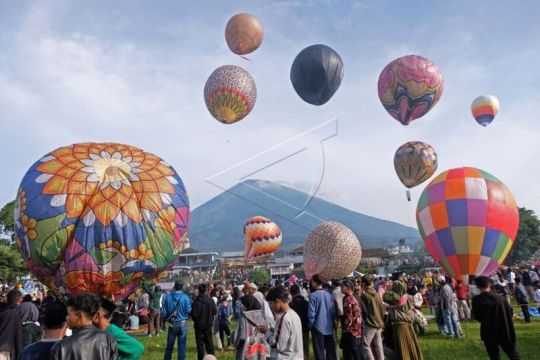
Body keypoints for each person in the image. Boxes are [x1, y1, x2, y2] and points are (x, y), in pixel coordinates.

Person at [49, 293, 117, 360]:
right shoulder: (109, 340)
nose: (66, 318)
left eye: (68, 314)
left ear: (80, 316)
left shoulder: (60, 347)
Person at [472, 276, 520, 360]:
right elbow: (510, 312)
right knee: (512, 353)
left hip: (488, 330)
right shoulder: (501, 298)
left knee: (494, 355)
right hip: (504, 328)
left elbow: (477, 316)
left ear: (477, 286)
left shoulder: (476, 300)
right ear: (489, 284)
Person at [383, 279, 424, 360]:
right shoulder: (408, 297)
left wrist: (389, 288)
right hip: (408, 324)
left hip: (399, 325)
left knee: (402, 345)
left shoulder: (394, 297)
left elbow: (385, 296)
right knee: (410, 344)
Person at [264, 286, 303, 360]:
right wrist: (273, 330)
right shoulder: (294, 314)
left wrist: (267, 332)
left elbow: (277, 345)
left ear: (277, 301)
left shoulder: (283, 319)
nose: (271, 307)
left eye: (271, 304)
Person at [308, 275, 337, 360]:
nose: (311, 283)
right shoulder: (329, 295)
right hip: (329, 327)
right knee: (331, 353)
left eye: (312, 281)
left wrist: (311, 326)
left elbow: (311, 315)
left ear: (315, 282)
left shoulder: (313, 296)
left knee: (319, 354)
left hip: (317, 328)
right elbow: (333, 312)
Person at [162, 281, 192, 360]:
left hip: (172, 324)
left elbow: (164, 313)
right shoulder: (185, 297)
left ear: (174, 287)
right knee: (181, 347)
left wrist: (164, 321)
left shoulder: (168, 297)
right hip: (183, 323)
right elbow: (189, 310)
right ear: (182, 287)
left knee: (169, 347)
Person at [232, 294, 269, 360]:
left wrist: (232, 336)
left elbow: (240, 337)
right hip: (259, 351)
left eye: (242, 304)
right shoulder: (262, 316)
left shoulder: (243, 319)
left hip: (246, 352)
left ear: (246, 305)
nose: (241, 306)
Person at [360, 275, 385, 360]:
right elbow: (382, 309)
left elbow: (362, 311)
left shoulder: (364, 295)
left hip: (371, 323)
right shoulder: (376, 293)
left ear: (363, 284)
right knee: (378, 345)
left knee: (365, 345)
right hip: (379, 323)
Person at [191, 284, 217, 360]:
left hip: (199, 326)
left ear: (199, 291)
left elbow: (194, 315)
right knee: (209, 344)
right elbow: (214, 312)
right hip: (208, 325)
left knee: (200, 346)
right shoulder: (210, 300)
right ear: (206, 290)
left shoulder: (196, 301)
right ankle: (212, 358)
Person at [340, 278, 363, 360]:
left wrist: (346, 330)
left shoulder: (348, 299)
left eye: (342, 286)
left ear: (348, 287)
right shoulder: (353, 297)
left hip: (352, 331)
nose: (341, 288)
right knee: (357, 352)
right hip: (357, 329)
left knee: (354, 353)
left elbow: (349, 318)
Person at [0, 290, 23, 360]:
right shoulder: (14, 314)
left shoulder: (3, 311)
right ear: (19, 299)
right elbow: (17, 336)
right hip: (5, 350)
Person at [289, 284, 309, 360]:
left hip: (294, 329)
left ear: (291, 293)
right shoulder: (306, 302)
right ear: (299, 291)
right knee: (305, 345)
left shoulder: (290, 304)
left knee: (295, 347)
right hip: (305, 327)